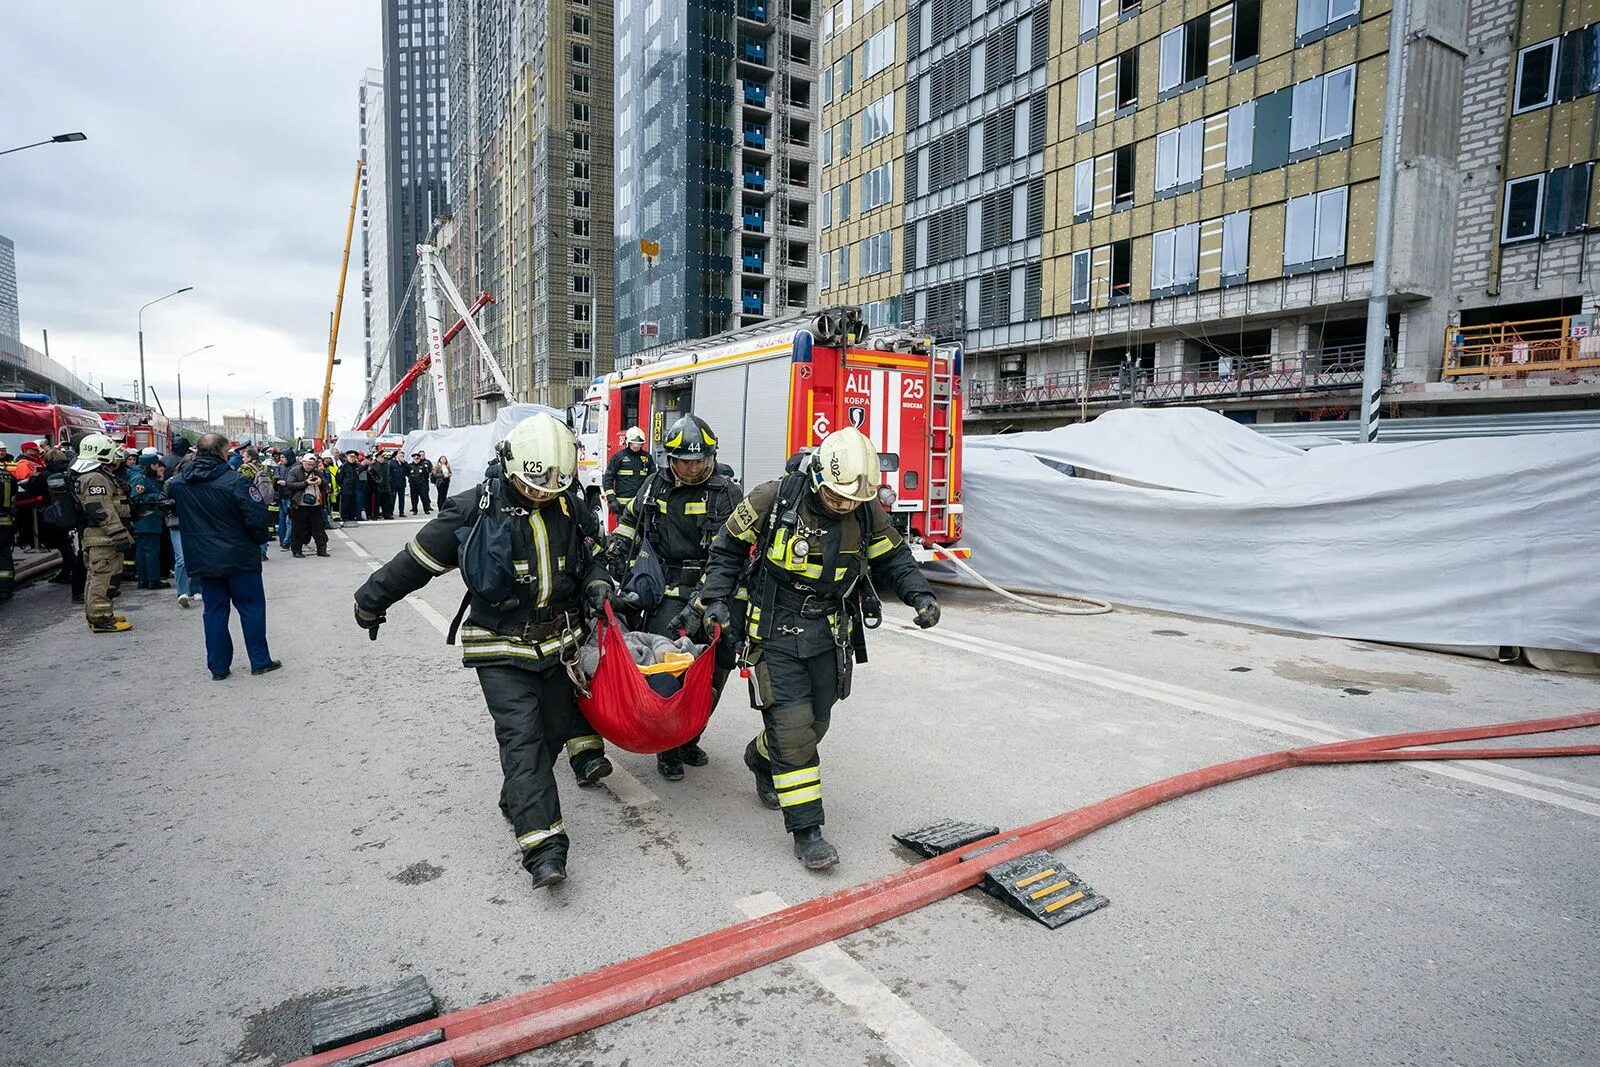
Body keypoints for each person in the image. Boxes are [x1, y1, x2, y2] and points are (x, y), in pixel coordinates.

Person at [352, 413, 620, 891]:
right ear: (510, 464)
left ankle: (518, 797)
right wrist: (370, 602)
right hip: (500, 648)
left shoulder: (569, 505)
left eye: (551, 487)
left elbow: (595, 556)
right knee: (523, 741)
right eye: (532, 485)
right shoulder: (472, 509)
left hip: (559, 646)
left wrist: (599, 584)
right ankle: (544, 849)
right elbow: (415, 563)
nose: (541, 493)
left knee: (553, 734)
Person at [697, 427, 941, 871]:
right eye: (837, 497)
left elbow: (894, 557)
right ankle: (807, 830)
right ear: (819, 479)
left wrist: (920, 596)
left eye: (851, 500)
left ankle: (760, 756)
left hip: (829, 631)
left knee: (817, 721)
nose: (844, 505)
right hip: (774, 627)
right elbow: (727, 549)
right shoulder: (774, 498)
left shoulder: (864, 511)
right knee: (793, 730)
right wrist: (716, 599)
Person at [607, 413, 744, 780]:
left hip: (714, 590)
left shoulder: (727, 492)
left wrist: (709, 598)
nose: (693, 467)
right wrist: (617, 548)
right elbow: (630, 521)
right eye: (685, 461)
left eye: (700, 460)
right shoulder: (654, 485)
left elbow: (737, 550)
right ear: (672, 459)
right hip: (667, 589)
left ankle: (690, 736)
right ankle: (667, 747)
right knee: (667, 671)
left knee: (714, 672)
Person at [169, 434, 280, 679]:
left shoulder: (179, 483)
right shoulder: (236, 482)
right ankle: (259, 661)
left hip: (204, 558)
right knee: (251, 608)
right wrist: (258, 539)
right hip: (239, 557)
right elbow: (257, 517)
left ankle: (218, 667)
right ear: (223, 452)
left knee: (214, 611)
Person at [71, 433, 135, 633]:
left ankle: (99, 614)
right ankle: (101, 619)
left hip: (99, 537)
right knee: (104, 577)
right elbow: (101, 509)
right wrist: (118, 533)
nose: (116, 458)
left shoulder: (96, 475)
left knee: (97, 576)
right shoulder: (95, 477)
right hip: (103, 538)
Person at [127, 454, 170, 590]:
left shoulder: (148, 478)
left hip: (148, 519)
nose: (158, 468)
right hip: (146, 518)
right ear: (151, 465)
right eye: (156, 465)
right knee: (150, 550)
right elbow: (136, 497)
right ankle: (152, 579)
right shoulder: (140, 479)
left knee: (143, 550)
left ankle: (144, 579)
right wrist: (157, 496)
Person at [603, 426, 656, 518]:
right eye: (634, 444)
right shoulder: (618, 457)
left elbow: (653, 479)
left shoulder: (647, 458)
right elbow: (607, 479)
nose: (636, 447)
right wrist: (611, 499)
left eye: (639, 445)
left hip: (640, 505)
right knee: (623, 531)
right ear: (627, 442)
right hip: (623, 507)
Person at [285, 454, 330, 558]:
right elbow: (290, 485)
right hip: (300, 504)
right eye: (308, 464)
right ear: (303, 462)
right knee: (298, 529)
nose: (310, 466)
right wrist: (306, 483)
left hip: (316, 504)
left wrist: (320, 482)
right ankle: (297, 550)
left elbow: (326, 484)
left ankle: (321, 549)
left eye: (312, 465)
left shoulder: (318, 472)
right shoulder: (295, 471)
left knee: (318, 529)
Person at [338, 450, 365, 525]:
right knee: (345, 504)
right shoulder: (343, 466)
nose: (352, 458)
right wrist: (344, 485)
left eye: (354, 457)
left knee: (353, 504)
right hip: (346, 489)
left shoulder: (357, 466)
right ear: (347, 457)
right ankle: (345, 518)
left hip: (355, 489)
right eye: (351, 457)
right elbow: (339, 478)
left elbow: (362, 476)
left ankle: (352, 517)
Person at [369, 451, 392, 519]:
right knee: (376, 502)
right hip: (377, 487)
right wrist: (377, 481)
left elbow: (389, 474)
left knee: (386, 502)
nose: (382, 459)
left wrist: (389, 480)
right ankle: (375, 515)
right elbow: (371, 475)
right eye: (380, 457)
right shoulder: (373, 465)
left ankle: (386, 514)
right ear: (377, 458)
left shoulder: (386, 464)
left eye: (383, 457)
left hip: (386, 486)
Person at [388, 452, 409, 517]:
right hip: (394, 484)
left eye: (402, 456)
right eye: (400, 456)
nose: (401, 457)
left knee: (402, 499)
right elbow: (389, 473)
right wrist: (390, 481)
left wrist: (404, 462)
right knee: (392, 499)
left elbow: (409, 469)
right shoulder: (392, 462)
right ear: (397, 456)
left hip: (402, 483)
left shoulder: (404, 463)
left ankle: (401, 512)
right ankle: (391, 512)